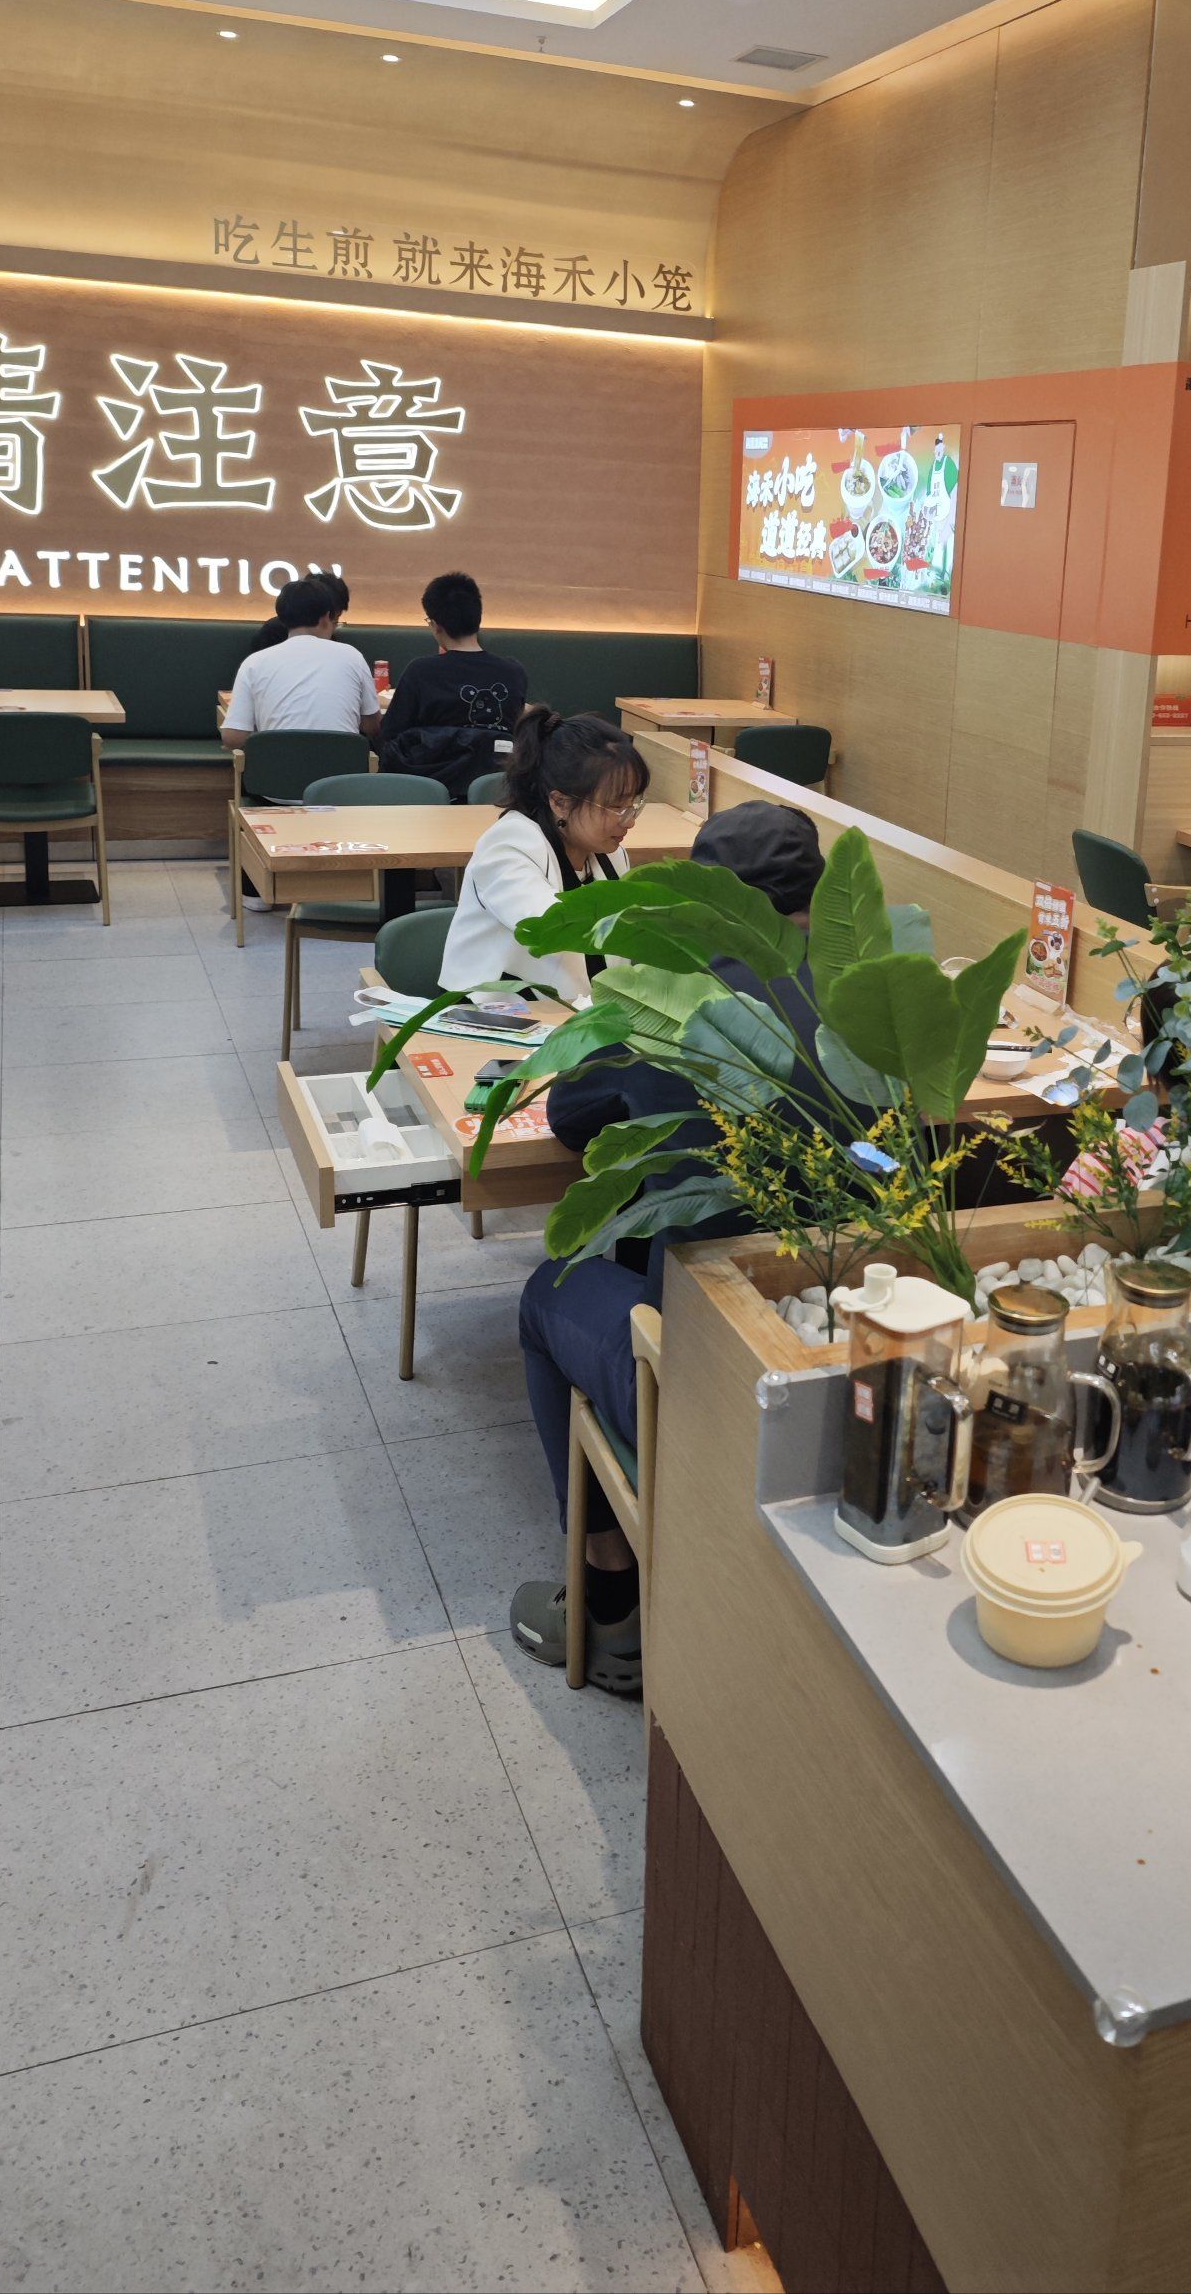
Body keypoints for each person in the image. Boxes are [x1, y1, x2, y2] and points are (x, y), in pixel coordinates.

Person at [509, 802, 833, 1696]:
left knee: (550, 1291)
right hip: (839, 1337)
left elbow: (571, 1117)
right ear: (814, 900)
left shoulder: (664, 998)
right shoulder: (875, 994)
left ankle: (609, 1601)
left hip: (703, 1367)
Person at [440, 708, 648, 1001]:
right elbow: (552, 925)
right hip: (496, 1014)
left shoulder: (610, 852)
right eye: (616, 807)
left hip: (577, 1012)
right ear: (561, 802)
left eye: (634, 805)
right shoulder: (508, 845)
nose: (629, 821)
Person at [377, 570, 528, 798]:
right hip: (495, 796)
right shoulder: (513, 673)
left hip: (426, 796)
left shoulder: (420, 671)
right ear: (478, 619)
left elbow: (390, 734)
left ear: (436, 625)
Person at [220, 573, 380, 749]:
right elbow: (372, 726)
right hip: (341, 764)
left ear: (282, 617)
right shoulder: (353, 656)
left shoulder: (253, 663)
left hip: (277, 764)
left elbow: (232, 737)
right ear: (327, 616)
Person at [247, 567, 350, 653]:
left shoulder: (335, 645)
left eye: (336, 620)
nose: (332, 627)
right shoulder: (272, 633)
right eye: (334, 620)